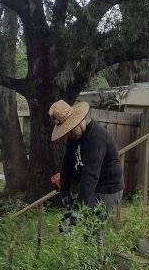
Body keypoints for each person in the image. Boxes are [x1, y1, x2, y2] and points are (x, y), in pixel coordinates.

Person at [48, 100, 124, 242]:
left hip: (108, 187)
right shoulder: (73, 137)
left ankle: (94, 263)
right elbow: (67, 165)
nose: (68, 133)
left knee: (93, 228)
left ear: (79, 121)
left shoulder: (96, 136)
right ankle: (87, 260)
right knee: (87, 228)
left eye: (70, 129)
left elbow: (91, 174)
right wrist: (65, 192)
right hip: (93, 186)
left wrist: (78, 208)